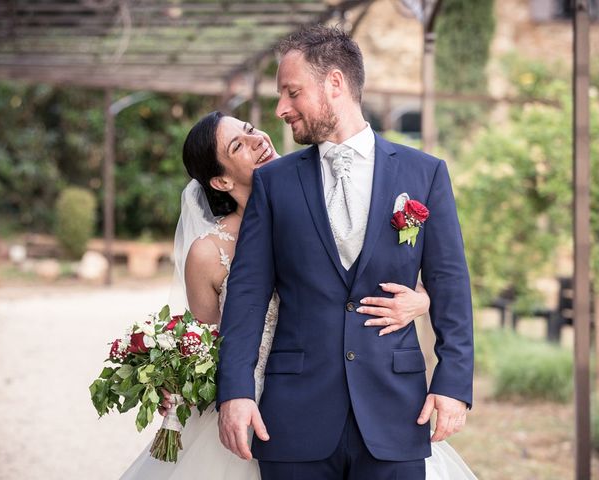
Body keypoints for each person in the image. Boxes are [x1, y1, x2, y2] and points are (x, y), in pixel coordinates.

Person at [118, 112, 471, 479]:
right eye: (238, 145)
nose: (257, 141)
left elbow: (373, 271)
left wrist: (424, 299)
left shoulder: (331, 186)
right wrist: (177, 378)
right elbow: (206, 337)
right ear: (220, 180)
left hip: (369, 396)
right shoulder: (209, 252)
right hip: (268, 401)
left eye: (251, 130)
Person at [216, 25, 475, 480]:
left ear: (334, 83)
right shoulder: (274, 184)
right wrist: (235, 390)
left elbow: (449, 284)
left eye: (292, 92)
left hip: (396, 411)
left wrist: (453, 383)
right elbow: (248, 291)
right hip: (294, 418)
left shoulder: (425, 173)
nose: (281, 108)